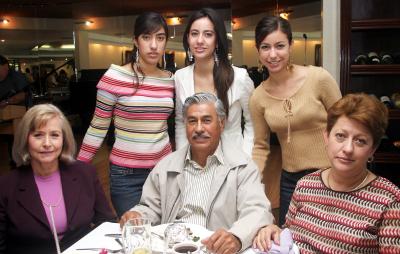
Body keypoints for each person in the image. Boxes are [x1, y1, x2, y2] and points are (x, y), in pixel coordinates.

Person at [121, 93, 274, 254]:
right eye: (192, 121)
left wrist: (236, 237)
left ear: (221, 124)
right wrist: (137, 215)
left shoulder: (242, 166)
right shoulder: (166, 166)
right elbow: (150, 207)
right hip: (172, 248)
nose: (199, 128)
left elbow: (257, 210)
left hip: (216, 250)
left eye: (207, 120)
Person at [253, 93, 400, 253]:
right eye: (340, 136)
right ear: (326, 137)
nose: (348, 148)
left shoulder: (390, 200)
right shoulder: (305, 185)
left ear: (373, 149)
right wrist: (275, 232)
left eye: (360, 141)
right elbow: (289, 237)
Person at [77, 12, 174, 217]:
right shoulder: (115, 76)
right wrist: (78, 167)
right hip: (127, 176)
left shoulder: (170, 80)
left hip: (163, 173)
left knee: (163, 235)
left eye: (160, 37)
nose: (154, 45)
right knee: (136, 238)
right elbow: (98, 126)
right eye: (147, 37)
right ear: (136, 41)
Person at [249, 16, 342, 225]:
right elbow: (261, 146)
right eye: (265, 47)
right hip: (291, 180)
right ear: (258, 51)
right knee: (289, 240)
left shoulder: (318, 78)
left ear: (291, 45)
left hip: (329, 175)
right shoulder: (258, 97)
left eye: (280, 46)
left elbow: (344, 125)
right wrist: (251, 179)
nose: (273, 54)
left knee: (328, 239)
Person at [0, 104, 115, 254]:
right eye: (38, 135)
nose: (47, 143)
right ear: (25, 140)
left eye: (54, 135)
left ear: (64, 140)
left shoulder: (85, 173)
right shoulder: (6, 186)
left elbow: (106, 223)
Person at [174, 8, 255, 156]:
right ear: (187, 38)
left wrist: (246, 160)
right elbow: (180, 122)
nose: (200, 40)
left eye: (208, 34)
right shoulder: (180, 77)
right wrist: (181, 159)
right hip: (194, 163)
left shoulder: (239, 77)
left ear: (217, 40)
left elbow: (253, 123)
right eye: (194, 34)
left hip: (232, 163)